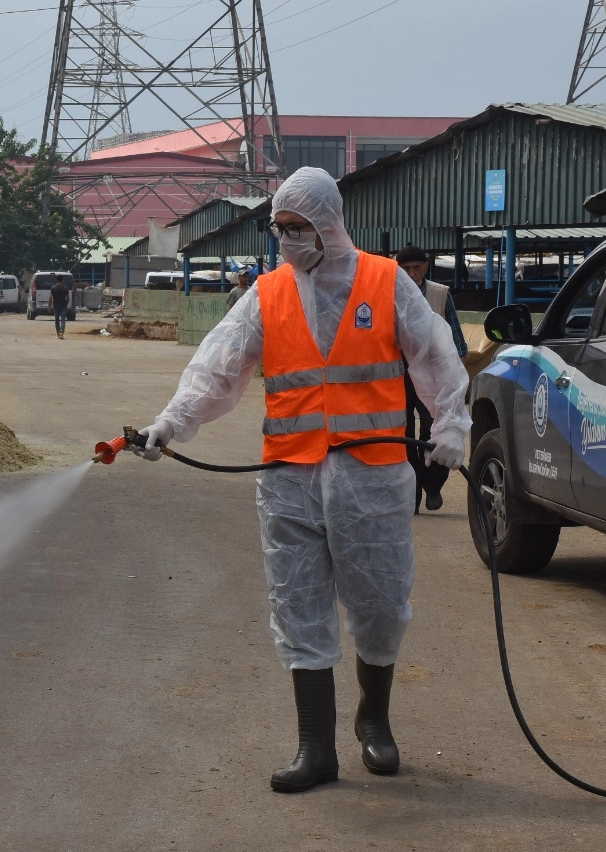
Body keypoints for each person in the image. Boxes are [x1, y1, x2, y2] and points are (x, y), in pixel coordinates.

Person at [133, 167, 471, 793]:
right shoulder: (268, 294)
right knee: (298, 605)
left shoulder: (384, 280)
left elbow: (435, 354)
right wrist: (169, 425)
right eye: (280, 229)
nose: (288, 240)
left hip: (370, 477)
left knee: (378, 607)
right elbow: (217, 367)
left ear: (328, 223)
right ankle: (315, 746)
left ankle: (375, 719)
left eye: (299, 228)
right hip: (289, 478)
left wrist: (451, 423)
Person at [395, 244, 469, 514]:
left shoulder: (440, 294)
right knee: (402, 433)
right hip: (400, 374)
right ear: (398, 269)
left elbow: (457, 341)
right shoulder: (391, 294)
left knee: (434, 428)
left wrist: (456, 382)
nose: (412, 273)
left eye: (416, 267)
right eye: (406, 269)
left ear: (426, 266)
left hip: (432, 374)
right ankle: (411, 493)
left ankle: (433, 485)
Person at [50, 275, 71, 339]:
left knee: (57, 320)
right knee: (63, 319)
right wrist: (66, 304)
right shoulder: (65, 288)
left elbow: (50, 297)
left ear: (56, 280)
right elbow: (68, 298)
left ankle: (58, 334)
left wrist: (49, 306)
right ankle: (62, 333)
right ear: (62, 280)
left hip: (56, 306)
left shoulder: (53, 288)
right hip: (63, 306)